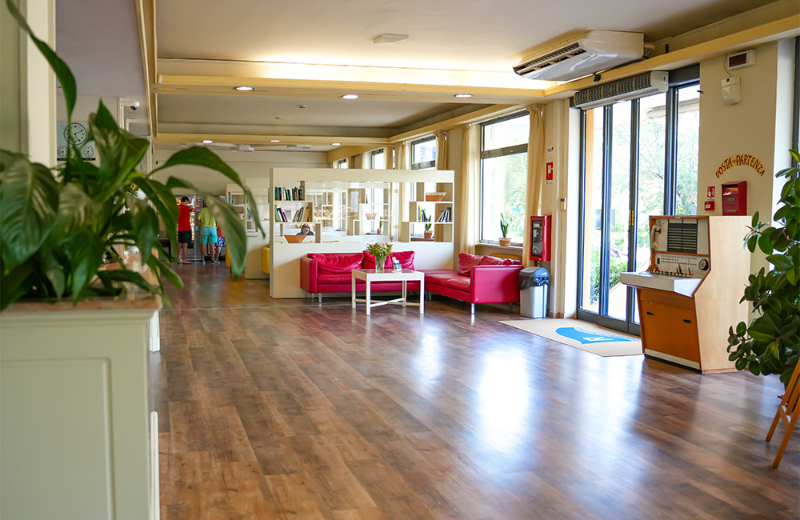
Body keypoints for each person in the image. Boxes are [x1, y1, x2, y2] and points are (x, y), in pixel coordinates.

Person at [177, 197, 196, 264]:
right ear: (185, 201)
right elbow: (195, 210)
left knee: (180, 243)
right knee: (185, 244)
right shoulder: (186, 207)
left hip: (179, 228)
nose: (187, 203)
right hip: (186, 228)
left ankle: (178, 258)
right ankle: (184, 260)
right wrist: (199, 209)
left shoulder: (177, 207)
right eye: (188, 202)